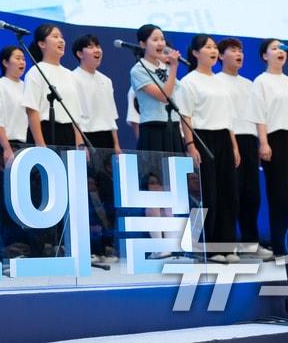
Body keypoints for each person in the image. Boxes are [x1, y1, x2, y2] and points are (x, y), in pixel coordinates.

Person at [174, 35, 239, 262]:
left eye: (214, 47)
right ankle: (209, 248)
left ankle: (227, 246)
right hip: (203, 137)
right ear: (195, 53)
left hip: (223, 137)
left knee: (228, 193)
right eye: (207, 47)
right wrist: (190, 144)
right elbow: (186, 116)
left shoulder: (221, 81)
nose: (212, 50)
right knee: (209, 193)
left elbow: (228, 119)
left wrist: (234, 147)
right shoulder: (190, 81)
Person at [250, 39, 288, 257]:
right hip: (276, 139)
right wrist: (263, 142)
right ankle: (282, 246)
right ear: (265, 56)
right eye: (274, 48)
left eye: (282, 48)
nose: (280, 51)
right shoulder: (261, 81)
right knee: (280, 194)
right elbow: (259, 114)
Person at [70, 34, 120, 263]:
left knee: (108, 193)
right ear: (80, 53)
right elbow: (74, 116)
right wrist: (80, 143)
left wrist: (117, 145)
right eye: (90, 47)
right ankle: (93, 247)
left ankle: (110, 245)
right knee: (90, 195)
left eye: (98, 45)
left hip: (106, 139)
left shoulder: (106, 80)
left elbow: (111, 116)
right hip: (86, 136)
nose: (97, 50)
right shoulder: (73, 78)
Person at [219, 38, 270, 259]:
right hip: (229, 139)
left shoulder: (249, 84)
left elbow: (257, 115)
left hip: (249, 139)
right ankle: (227, 244)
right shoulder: (217, 81)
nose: (238, 54)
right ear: (221, 56)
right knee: (231, 194)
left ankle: (250, 243)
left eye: (240, 51)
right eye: (232, 50)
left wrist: (261, 142)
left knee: (252, 194)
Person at [22, 24, 86, 148]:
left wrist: (79, 142)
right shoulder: (36, 71)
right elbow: (32, 110)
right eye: (55, 37)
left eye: (61, 37)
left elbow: (74, 113)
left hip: (68, 133)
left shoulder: (70, 74)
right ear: (42, 44)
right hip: (45, 130)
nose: (61, 40)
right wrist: (40, 144)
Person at [129, 24, 182, 154]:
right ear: (142, 44)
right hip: (153, 128)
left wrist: (171, 67)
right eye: (155, 40)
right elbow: (164, 96)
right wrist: (174, 67)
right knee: (156, 173)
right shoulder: (139, 69)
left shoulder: (166, 67)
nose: (160, 43)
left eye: (162, 39)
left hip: (173, 126)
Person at [0, 46, 28, 167]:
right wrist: (6, 148)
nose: (22, 62)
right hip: (3, 144)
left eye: (23, 59)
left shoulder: (26, 86)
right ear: (5, 62)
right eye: (17, 58)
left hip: (25, 144)